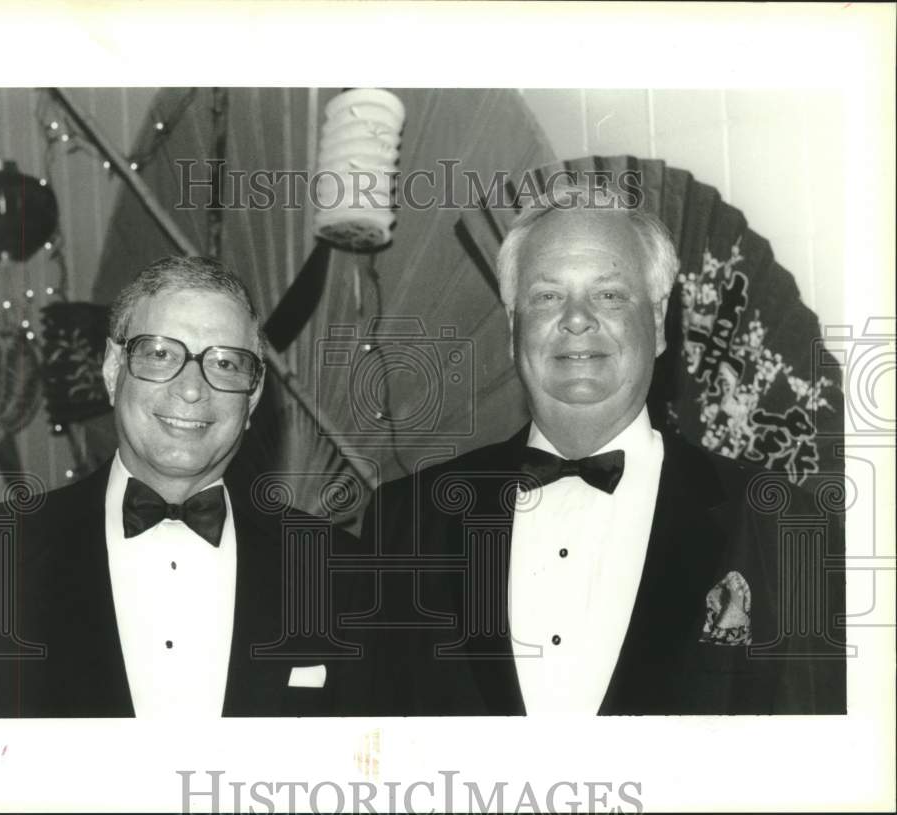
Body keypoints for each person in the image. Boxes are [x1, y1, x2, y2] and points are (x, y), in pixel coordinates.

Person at [354, 185, 846, 715]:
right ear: (512, 328)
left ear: (658, 323)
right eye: (546, 296)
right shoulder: (405, 521)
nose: (576, 318)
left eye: (609, 294)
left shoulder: (780, 526)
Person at [0, 256, 359, 717]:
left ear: (253, 397)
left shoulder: (341, 573)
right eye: (161, 353)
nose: (191, 390)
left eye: (225, 363)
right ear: (111, 369)